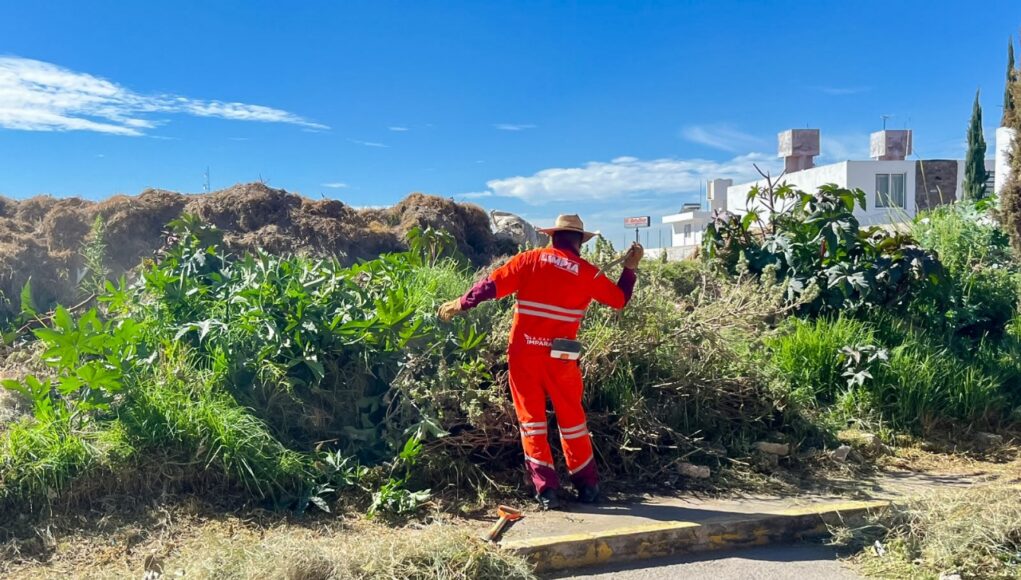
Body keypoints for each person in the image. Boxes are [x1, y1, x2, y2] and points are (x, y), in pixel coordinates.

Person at [438, 214, 643, 509]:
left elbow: (491, 285)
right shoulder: (587, 272)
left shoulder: (528, 260)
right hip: (562, 359)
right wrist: (629, 269)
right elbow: (620, 300)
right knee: (572, 420)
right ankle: (587, 486)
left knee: (532, 422)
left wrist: (461, 303)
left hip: (525, 355)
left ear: (552, 237)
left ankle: (546, 490)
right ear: (580, 243)